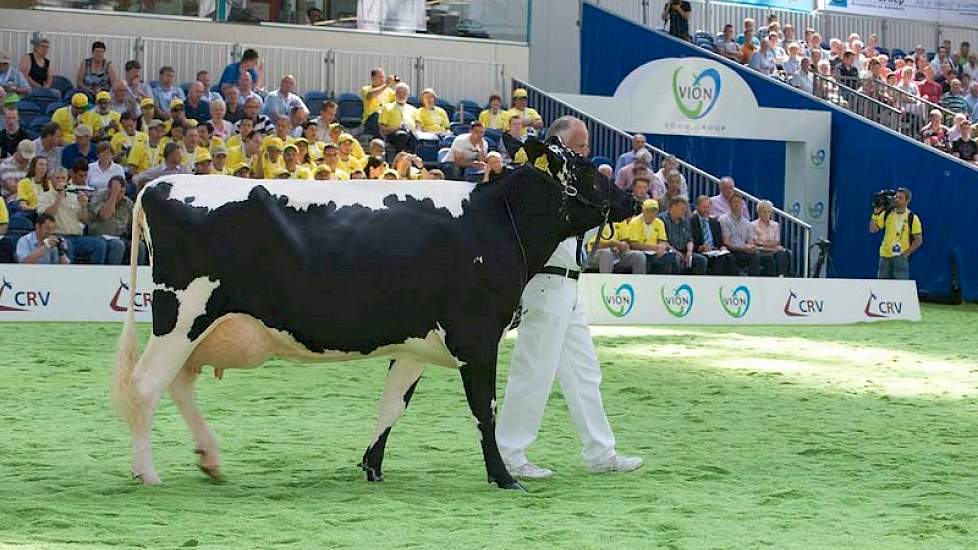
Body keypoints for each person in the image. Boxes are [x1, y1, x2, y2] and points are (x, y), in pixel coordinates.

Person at [495, 116, 642, 481]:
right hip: (545, 284)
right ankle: (509, 454)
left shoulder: (574, 184)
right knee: (533, 371)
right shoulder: (538, 181)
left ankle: (600, 451)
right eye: (579, 147)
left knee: (584, 372)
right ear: (558, 146)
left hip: (570, 285)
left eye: (586, 147)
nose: (585, 154)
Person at [37, 166, 110, 264]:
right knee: (67, 245)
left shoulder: (74, 197)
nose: (60, 181)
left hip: (77, 237)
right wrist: (59, 198)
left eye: (63, 178)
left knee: (99, 244)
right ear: (51, 180)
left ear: (67, 180)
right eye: (57, 178)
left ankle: (95, 274)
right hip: (57, 236)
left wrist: (83, 206)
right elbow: (45, 217)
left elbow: (84, 221)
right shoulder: (45, 196)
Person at [870, 188, 922, 280]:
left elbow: (918, 240)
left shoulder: (912, 218)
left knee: (901, 286)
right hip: (885, 256)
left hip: (900, 256)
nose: (897, 200)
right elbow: (872, 230)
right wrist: (875, 214)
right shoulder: (887, 214)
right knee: (882, 285)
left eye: (901, 198)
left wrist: (907, 253)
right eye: (896, 197)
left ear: (907, 201)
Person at [87, 174, 136, 264]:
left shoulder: (128, 202)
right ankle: (113, 276)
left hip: (120, 237)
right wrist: (114, 195)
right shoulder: (99, 197)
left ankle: (135, 276)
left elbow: (134, 224)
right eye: (115, 190)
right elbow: (105, 215)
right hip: (100, 236)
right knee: (117, 245)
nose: (119, 195)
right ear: (108, 189)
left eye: (121, 192)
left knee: (138, 245)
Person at [658, 195, 705, 274]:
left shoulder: (686, 220)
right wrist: (677, 253)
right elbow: (663, 242)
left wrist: (689, 252)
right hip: (669, 251)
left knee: (701, 260)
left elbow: (689, 239)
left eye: (685, 209)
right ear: (673, 207)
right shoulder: (662, 219)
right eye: (682, 209)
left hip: (684, 250)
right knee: (675, 258)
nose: (685, 211)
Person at [690, 195, 735, 275]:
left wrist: (722, 247)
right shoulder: (691, 222)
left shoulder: (715, 222)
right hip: (699, 251)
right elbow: (689, 240)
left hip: (714, 251)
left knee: (728, 257)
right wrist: (700, 247)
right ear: (697, 207)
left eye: (708, 207)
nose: (706, 210)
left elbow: (720, 241)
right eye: (703, 207)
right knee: (711, 260)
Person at [720, 193, 761, 275]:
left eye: (739, 202)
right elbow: (726, 242)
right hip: (731, 250)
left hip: (743, 251)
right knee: (729, 257)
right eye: (734, 202)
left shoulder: (747, 223)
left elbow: (750, 242)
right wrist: (743, 248)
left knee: (755, 256)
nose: (737, 205)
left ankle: (754, 282)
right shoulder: (724, 219)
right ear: (730, 204)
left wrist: (751, 247)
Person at [751, 200, 791, 276]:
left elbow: (776, 241)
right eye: (764, 212)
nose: (766, 214)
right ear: (758, 212)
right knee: (768, 256)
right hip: (760, 250)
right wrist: (769, 244)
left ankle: (782, 276)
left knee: (783, 253)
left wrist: (763, 242)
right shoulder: (753, 225)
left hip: (773, 250)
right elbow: (756, 242)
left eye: (768, 212)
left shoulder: (775, 225)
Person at [379, 82, 418, 158]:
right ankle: (399, 159)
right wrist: (397, 127)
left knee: (417, 137)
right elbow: (382, 128)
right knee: (401, 135)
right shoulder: (387, 108)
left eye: (404, 93)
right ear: (395, 94)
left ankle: (413, 160)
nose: (401, 95)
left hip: (410, 133)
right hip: (393, 134)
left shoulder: (413, 109)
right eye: (399, 92)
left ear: (407, 95)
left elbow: (418, 125)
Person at [361, 68, 396, 138]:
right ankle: (382, 140)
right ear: (373, 78)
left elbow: (398, 100)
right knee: (377, 114)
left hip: (385, 119)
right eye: (380, 77)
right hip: (371, 120)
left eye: (383, 77)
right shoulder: (366, 89)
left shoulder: (390, 91)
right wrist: (386, 85)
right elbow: (370, 95)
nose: (382, 79)